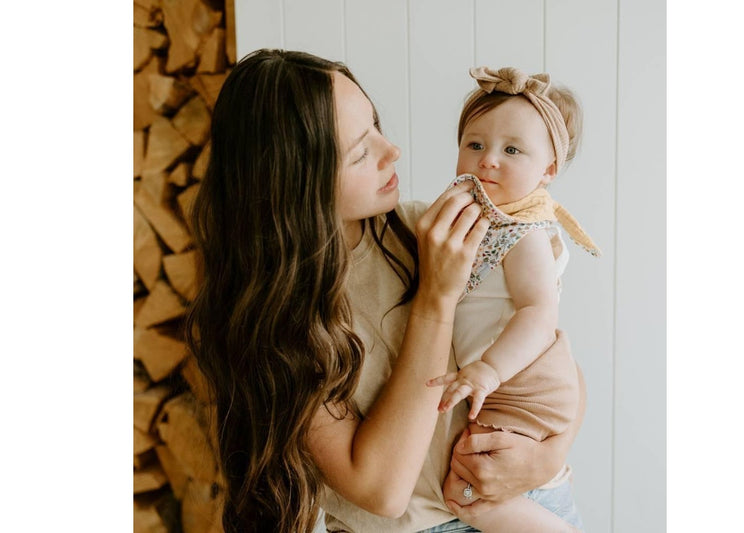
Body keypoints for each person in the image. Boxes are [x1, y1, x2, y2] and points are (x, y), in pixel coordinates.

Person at [185, 49, 586, 533]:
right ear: (294, 182)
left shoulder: (431, 227)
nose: (391, 150)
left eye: (376, 124)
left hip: (534, 500)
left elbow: (547, 349)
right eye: (359, 151)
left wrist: (547, 453)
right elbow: (382, 491)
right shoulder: (271, 320)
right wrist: (434, 301)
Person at [426, 67, 600, 532]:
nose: (488, 161)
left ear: (548, 170)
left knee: (469, 483)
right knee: (475, 470)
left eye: (512, 150)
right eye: (475, 145)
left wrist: (488, 369)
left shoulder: (524, 232)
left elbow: (539, 312)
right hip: (510, 382)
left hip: (524, 387)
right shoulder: (481, 219)